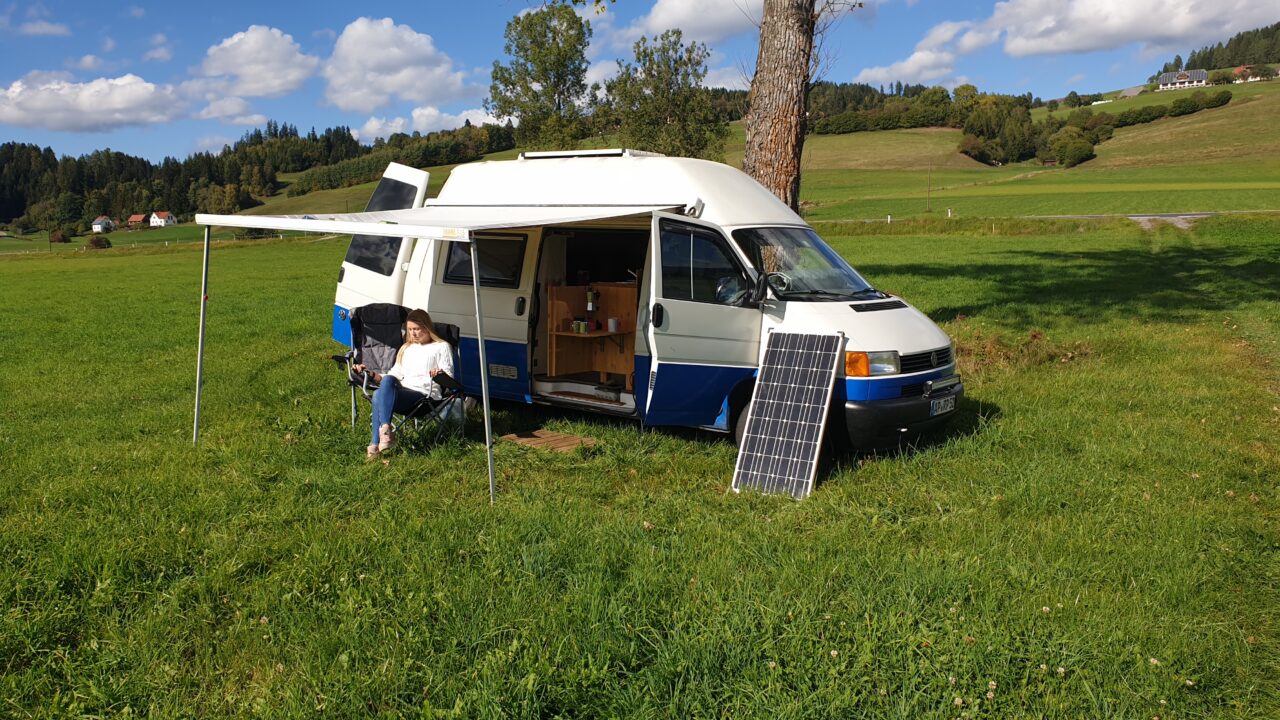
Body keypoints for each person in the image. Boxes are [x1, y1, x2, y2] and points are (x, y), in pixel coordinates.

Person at [353, 309, 454, 459]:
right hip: (403, 392)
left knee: (378, 394)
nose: (413, 333)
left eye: (417, 329)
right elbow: (394, 375)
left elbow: (449, 376)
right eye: (410, 329)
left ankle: (375, 445)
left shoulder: (441, 346)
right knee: (383, 387)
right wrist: (369, 374)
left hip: (425, 397)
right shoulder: (407, 348)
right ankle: (385, 433)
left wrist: (438, 373)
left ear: (427, 327)